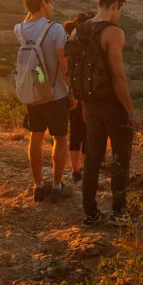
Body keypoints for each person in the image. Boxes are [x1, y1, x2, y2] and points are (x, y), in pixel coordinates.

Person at [73, 0, 138, 227]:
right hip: (112, 104)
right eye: (120, 10)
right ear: (114, 5)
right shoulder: (113, 33)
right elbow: (118, 76)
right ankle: (119, 212)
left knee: (92, 159)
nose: (120, 15)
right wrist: (131, 110)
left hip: (89, 104)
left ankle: (89, 213)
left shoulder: (77, 31)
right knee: (121, 159)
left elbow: (73, 69)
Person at [16, 0, 73, 203]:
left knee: (35, 137)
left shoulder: (20, 29)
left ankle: (38, 186)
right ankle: (57, 186)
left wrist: (30, 10)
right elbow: (64, 65)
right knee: (60, 138)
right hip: (55, 93)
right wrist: (73, 92)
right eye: (49, 2)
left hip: (33, 92)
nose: (52, 6)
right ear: (43, 3)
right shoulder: (55, 29)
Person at [63, 11, 95, 184]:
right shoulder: (82, 44)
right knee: (85, 133)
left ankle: (76, 171)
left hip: (75, 93)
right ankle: (82, 170)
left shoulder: (71, 41)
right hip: (81, 94)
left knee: (76, 131)